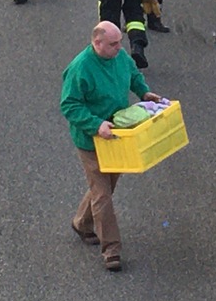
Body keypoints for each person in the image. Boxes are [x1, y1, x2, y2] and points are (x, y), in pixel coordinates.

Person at [60, 21, 165, 273]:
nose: (120, 48)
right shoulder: (80, 68)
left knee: (105, 187)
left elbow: (133, 74)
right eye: (113, 44)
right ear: (97, 43)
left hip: (117, 135)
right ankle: (112, 250)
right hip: (92, 140)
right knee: (103, 194)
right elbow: (70, 105)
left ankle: (81, 223)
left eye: (120, 42)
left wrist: (144, 92)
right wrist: (96, 125)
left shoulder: (120, 57)